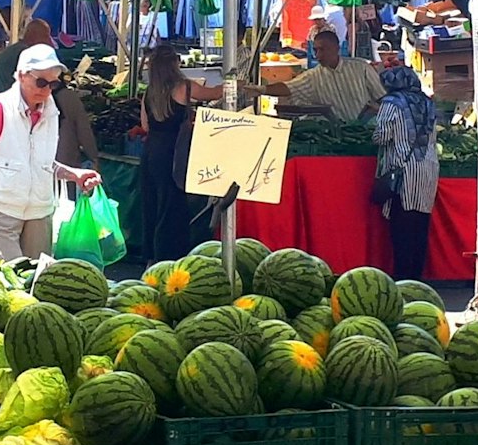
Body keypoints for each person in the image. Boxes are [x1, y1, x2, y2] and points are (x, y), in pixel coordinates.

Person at [0, 44, 102, 261]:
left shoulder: (52, 110)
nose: (46, 90)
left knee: (36, 280)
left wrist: (75, 174)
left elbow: (43, 163)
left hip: (40, 211)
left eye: (53, 84)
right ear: (22, 76)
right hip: (1, 209)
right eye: (41, 82)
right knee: (13, 278)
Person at [138, 42, 224, 261]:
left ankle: (152, 256)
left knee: (152, 206)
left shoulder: (149, 92)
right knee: (172, 206)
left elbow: (145, 126)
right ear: (175, 64)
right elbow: (214, 93)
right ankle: (168, 256)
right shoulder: (184, 87)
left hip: (151, 152)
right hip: (173, 153)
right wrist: (236, 83)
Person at [374, 65, 440, 281]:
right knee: (420, 227)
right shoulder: (428, 103)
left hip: (404, 173)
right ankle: (416, 278)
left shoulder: (390, 103)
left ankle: (403, 279)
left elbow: (381, 136)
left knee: (402, 227)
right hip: (428, 169)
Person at [253, 30, 385, 122]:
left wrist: (374, 113)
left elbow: (381, 97)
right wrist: (262, 90)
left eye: (322, 49)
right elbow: (289, 87)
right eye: (315, 50)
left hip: (365, 132)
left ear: (336, 48)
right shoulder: (313, 76)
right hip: (336, 135)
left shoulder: (361, 68)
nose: (318, 55)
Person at [0, 19, 52, 98]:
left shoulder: (17, 48)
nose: (48, 41)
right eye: (45, 36)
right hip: (2, 103)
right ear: (33, 35)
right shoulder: (24, 53)